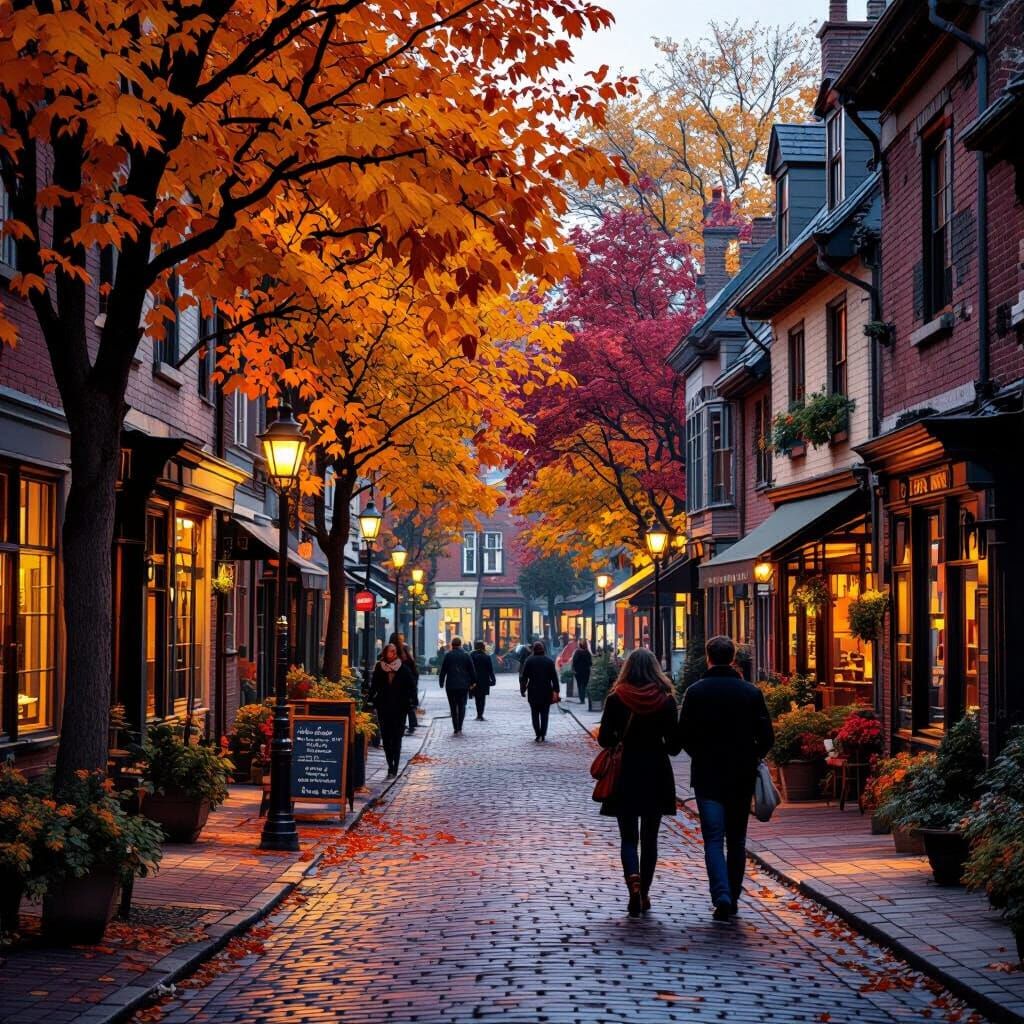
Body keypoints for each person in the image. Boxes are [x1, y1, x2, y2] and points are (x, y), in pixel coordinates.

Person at [677, 635, 774, 922]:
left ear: (708, 657)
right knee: (737, 839)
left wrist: (700, 753)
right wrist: (752, 756)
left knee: (712, 838)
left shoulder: (695, 693)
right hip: (741, 775)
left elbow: (683, 735)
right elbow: (767, 737)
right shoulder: (750, 693)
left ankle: (721, 894)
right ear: (732, 658)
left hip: (708, 776)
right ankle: (733, 894)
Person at [596, 648, 680, 917]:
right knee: (651, 838)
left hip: (625, 770)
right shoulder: (665, 701)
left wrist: (617, 737)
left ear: (627, 668)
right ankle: (644, 893)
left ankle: (632, 879)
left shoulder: (616, 698)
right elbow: (674, 746)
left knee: (628, 837)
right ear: (655, 668)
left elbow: (605, 739)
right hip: (655, 771)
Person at [369, 642, 417, 777]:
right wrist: (370, 700)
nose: (393, 653)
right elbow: (374, 686)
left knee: (397, 737)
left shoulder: (403, 667)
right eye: (391, 651)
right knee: (386, 737)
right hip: (384, 707)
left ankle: (395, 766)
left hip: (400, 708)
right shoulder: (380, 667)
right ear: (385, 653)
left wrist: (412, 702)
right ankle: (390, 763)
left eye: (395, 651)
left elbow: (411, 686)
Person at [519, 640, 559, 742]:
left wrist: (523, 689)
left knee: (535, 713)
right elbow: (554, 678)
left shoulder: (529, 661)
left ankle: (537, 733)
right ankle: (543, 734)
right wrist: (556, 691)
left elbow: (524, 677)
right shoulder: (549, 661)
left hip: (533, 691)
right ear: (543, 649)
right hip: (546, 691)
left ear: (533, 650)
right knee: (545, 714)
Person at [438, 636, 474, 734]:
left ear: (452, 645)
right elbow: (471, 670)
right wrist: (473, 682)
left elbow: (443, 670)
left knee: (453, 707)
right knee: (462, 706)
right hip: (463, 685)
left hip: (451, 685)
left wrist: (441, 682)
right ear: (460, 644)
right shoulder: (466, 655)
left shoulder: (448, 655)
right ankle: (460, 726)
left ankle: (455, 726)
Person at [389, 632, 420, 736]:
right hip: (401, 687)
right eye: (400, 640)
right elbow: (414, 670)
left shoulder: (400, 652)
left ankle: (401, 726)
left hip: (398, 687)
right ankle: (403, 726)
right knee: (404, 707)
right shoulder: (402, 652)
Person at [470, 640, 495, 721]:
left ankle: (478, 714)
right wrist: (493, 680)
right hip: (484, 680)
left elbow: (469, 669)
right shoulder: (486, 657)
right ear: (483, 647)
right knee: (482, 698)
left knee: (477, 698)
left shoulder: (472, 656)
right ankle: (480, 714)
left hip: (474, 680)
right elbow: (490, 670)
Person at [572, 637, 593, 705]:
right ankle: (583, 698)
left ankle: (582, 699)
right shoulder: (587, 653)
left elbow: (574, 662)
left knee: (579, 685)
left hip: (578, 672)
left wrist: (573, 669)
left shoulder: (577, 652)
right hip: (586, 671)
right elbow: (590, 663)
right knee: (584, 685)